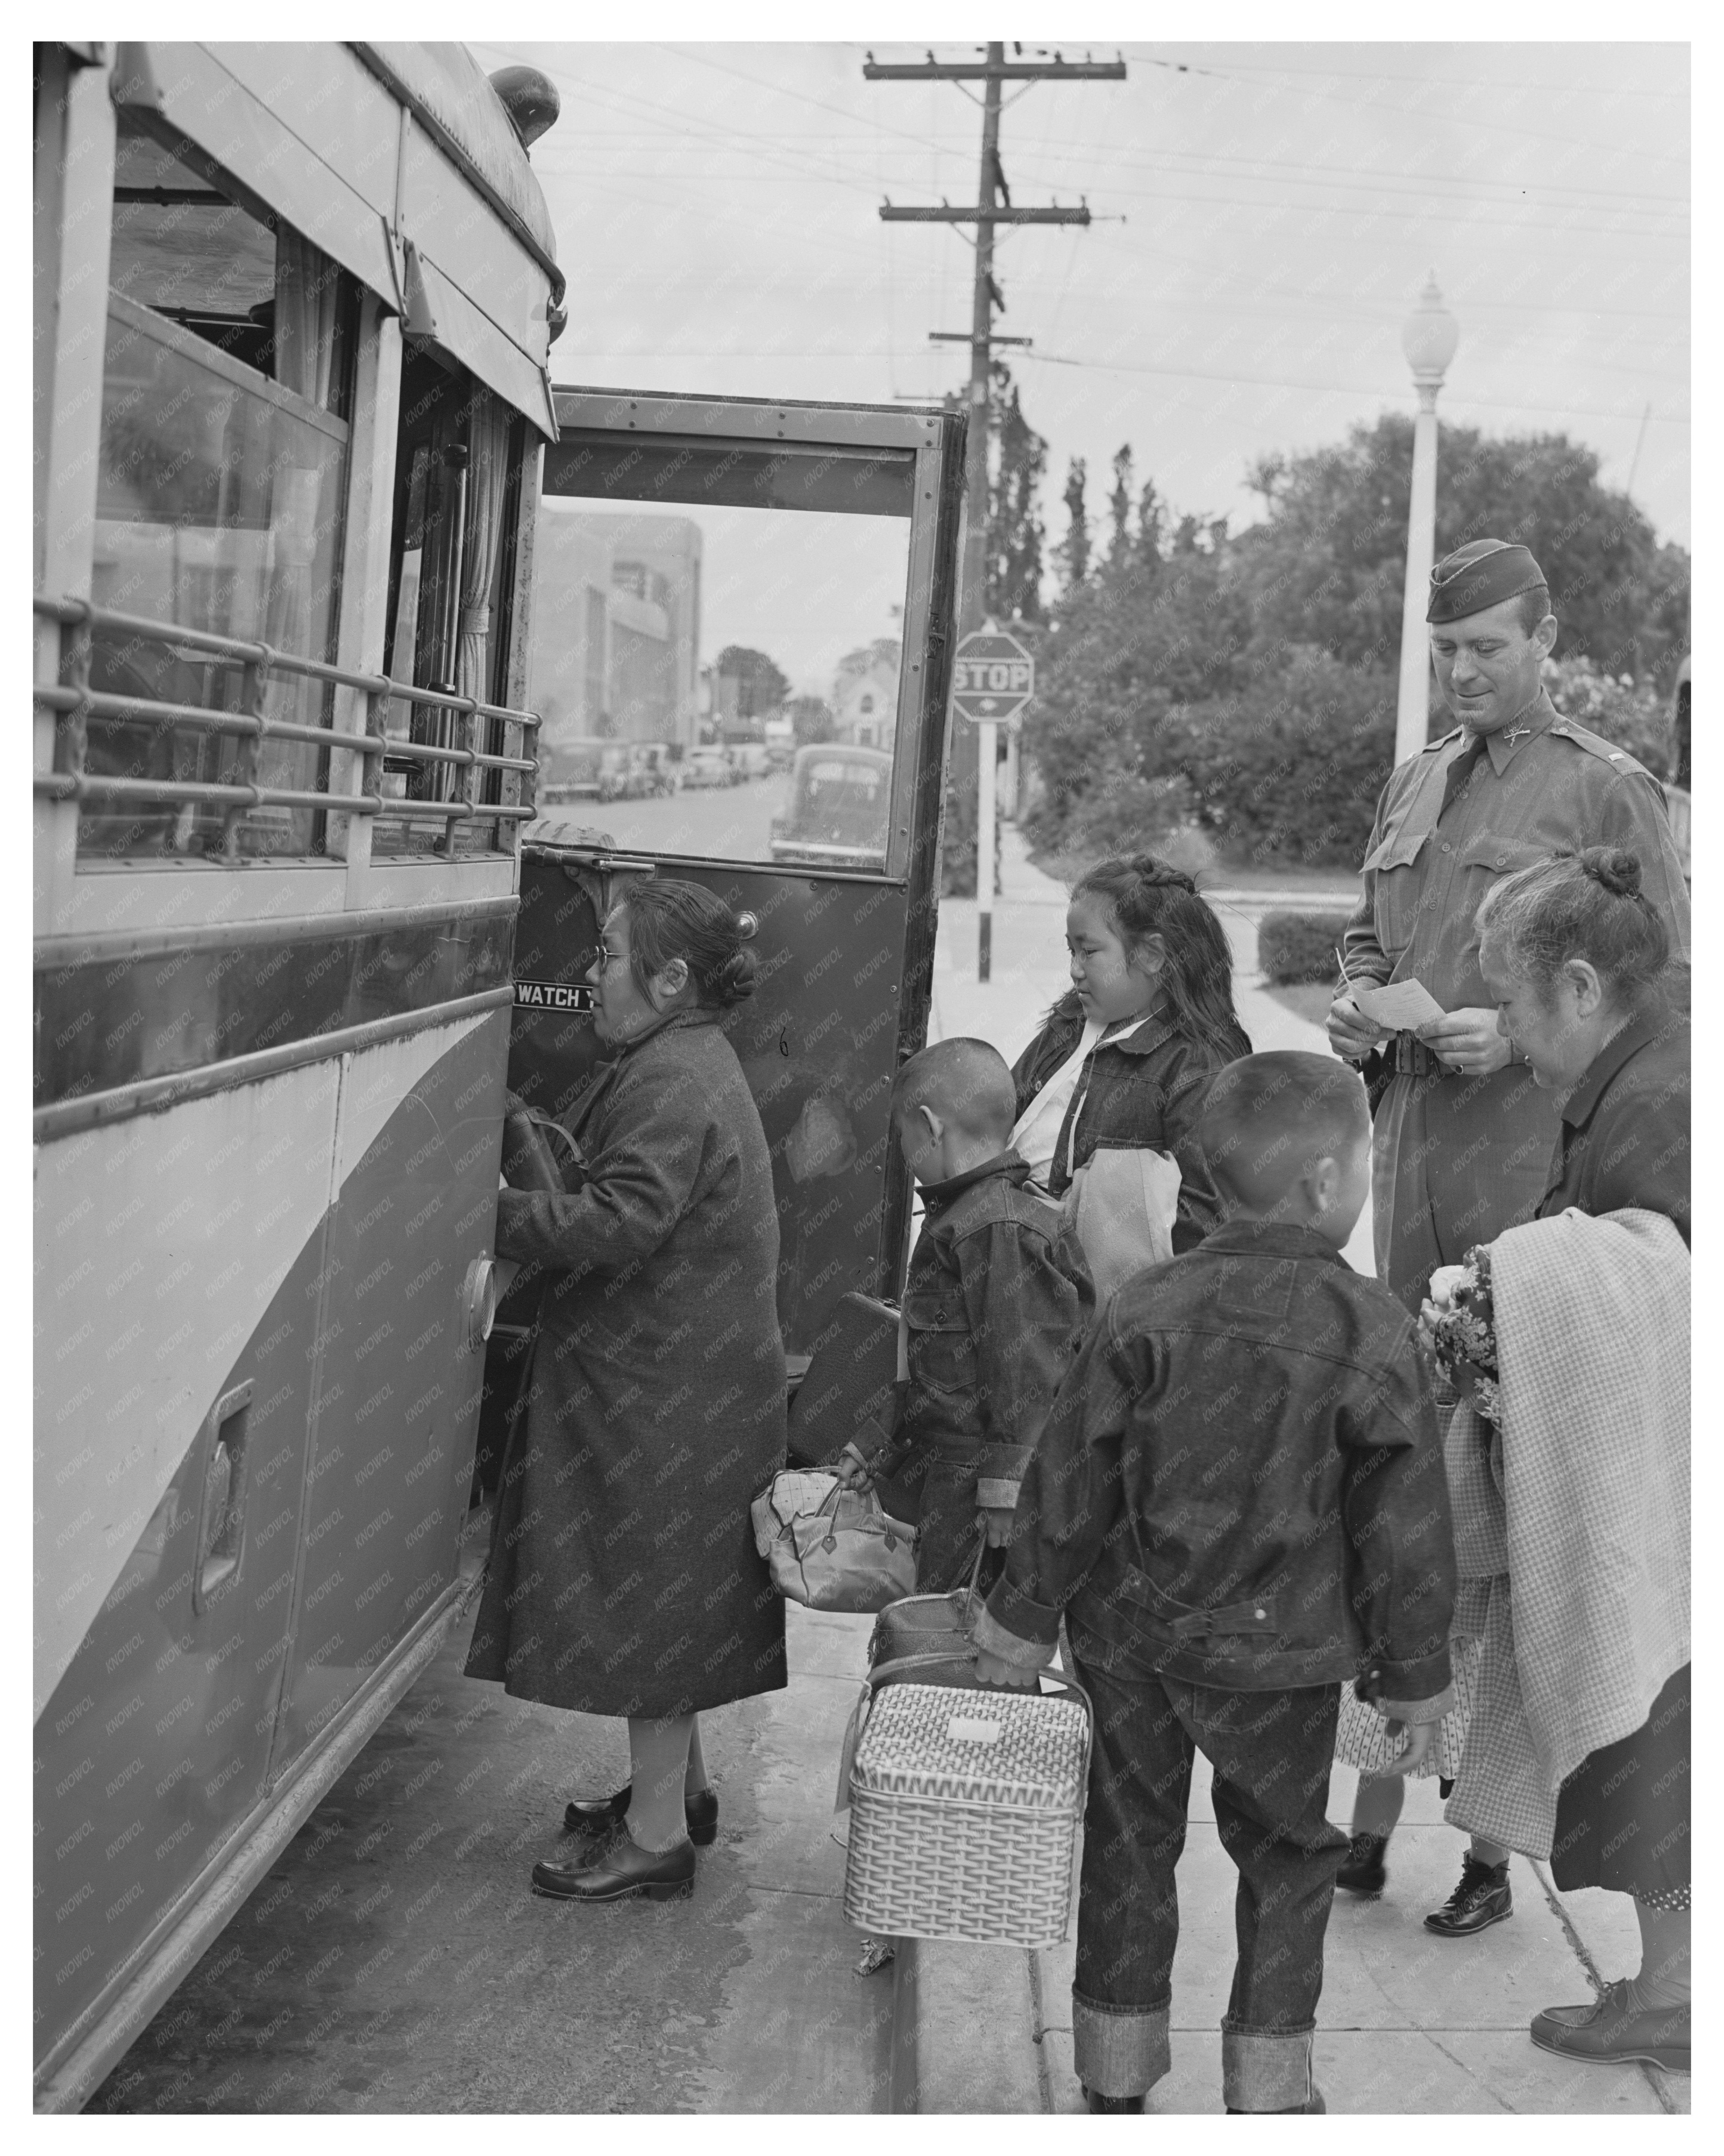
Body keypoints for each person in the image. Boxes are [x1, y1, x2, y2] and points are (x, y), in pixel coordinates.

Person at [973, 1053, 1457, 2116]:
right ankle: (1268, 2091)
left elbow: (1068, 1475)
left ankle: (1112, 2073)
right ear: (1323, 1181)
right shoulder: (1368, 1324)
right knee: (1286, 1856)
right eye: (1364, 1164)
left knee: (1127, 1843)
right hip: (1279, 1655)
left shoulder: (1143, 1303)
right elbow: (1403, 1524)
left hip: (1130, 1637)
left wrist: (1018, 1620)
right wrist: (1413, 1674)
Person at [1325, 537, 1689, 1923]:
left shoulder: (1605, 787)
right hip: (1408, 1178)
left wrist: (1509, 1027)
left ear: (1545, 639)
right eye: (1446, 652)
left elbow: (1661, 990)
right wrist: (1359, 999)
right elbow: (1368, 932)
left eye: (1485, 648)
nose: (1463, 673)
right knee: (1399, 1489)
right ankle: (1368, 1812)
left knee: (1505, 1501)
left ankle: (1488, 1848)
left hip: (1527, 1195)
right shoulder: (1416, 778)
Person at [465, 881, 788, 1905]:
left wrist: (487, 1213)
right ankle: (676, 1794)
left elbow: (619, 1221)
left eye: (606, 955)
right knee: (675, 1601)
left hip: (666, 1394)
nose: (589, 973)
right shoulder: (683, 1055)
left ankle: (656, 1842)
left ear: (671, 977)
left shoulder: (671, 1076)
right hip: (679, 1381)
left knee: (654, 1608)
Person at [1464, 845, 1689, 2073]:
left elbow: (1652, 1313)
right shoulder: (1645, 1073)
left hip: (1662, 1497)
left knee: (1658, 1736)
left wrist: (1499, 1299)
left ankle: (1674, 1995)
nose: (1500, 1028)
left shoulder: (1653, 1106)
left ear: (1579, 987)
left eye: (1508, 1000)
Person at [834, 1038, 1094, 1594]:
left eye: (902, 1136)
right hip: (950, 1476)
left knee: (956, 1627)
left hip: (979, 1486)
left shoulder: (995, 1226)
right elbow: (929, 1368)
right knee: (935, 1612)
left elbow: (1024, 1371)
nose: (903, 1153)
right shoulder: (960, 1219)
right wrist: (874, 1442)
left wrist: (1005, 1492)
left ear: (930, 1127)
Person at [1009, 853, 1250, 1247]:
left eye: (1089, 952)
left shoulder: (1198, 1067)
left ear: (1152, 955)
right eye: (1071, 951)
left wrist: (1067, 1222)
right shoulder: (1071, 1020)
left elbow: (1205, 1219)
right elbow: (1008, 1106)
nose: (1074, 969)